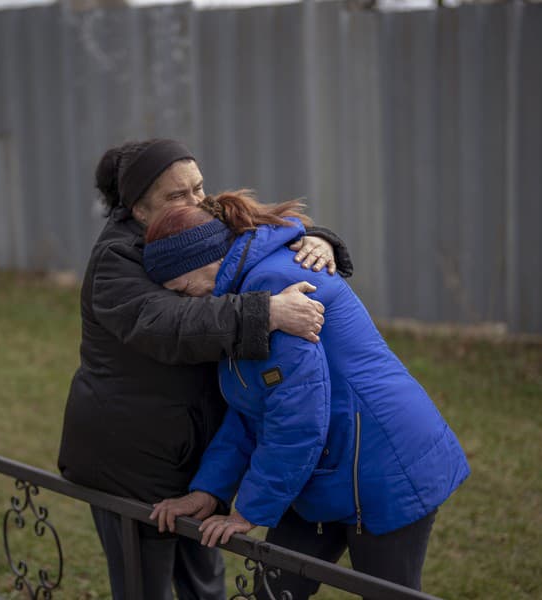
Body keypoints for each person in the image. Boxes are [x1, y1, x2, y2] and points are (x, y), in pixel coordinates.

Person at [57, 139, 354, 600]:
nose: (198, 202)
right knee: (143, 584)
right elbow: (167, 323)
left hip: (195, 453)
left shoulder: (193, 227)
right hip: (130, 461)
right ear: (138, 209)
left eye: (197, 187)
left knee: (204, 582)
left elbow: (258, 232)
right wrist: (265, 313)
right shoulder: (117, 259)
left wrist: (317, 240)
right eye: (178, 195)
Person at [144, 190, 470, 598]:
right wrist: (209, 491)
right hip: (326, 467)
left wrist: (248, 511)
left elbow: (296, 417)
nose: (181, 297)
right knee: (273, 591)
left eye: (181, 286)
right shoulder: (238, 299)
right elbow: (251, 410)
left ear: (204, 259)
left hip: (382, 468)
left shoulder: (274, 285)